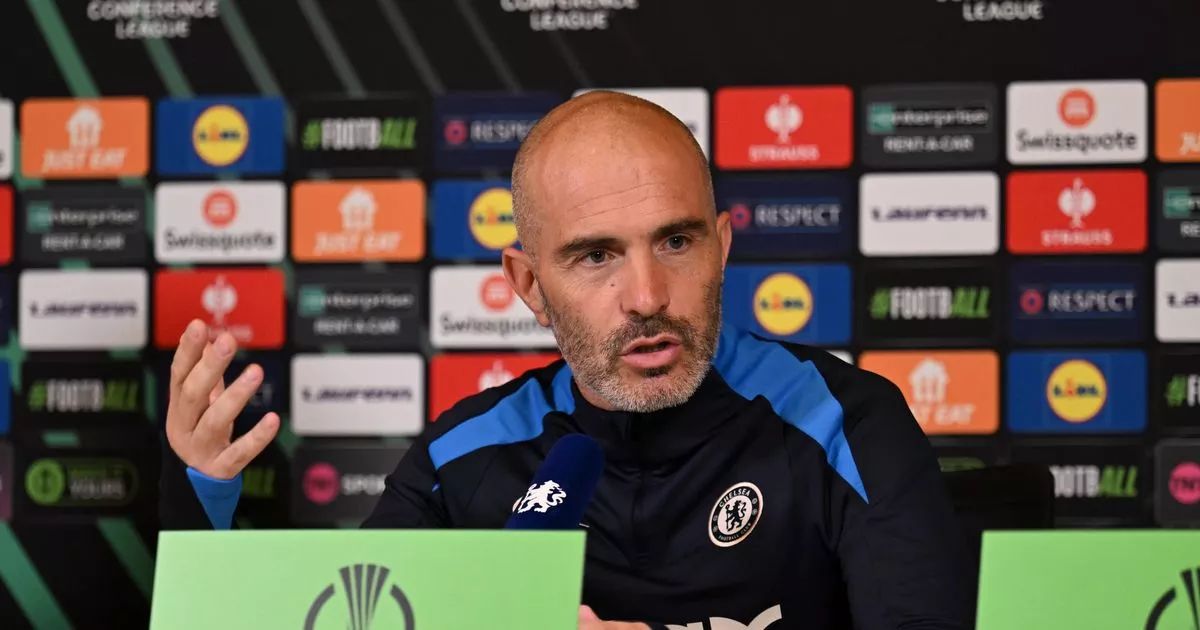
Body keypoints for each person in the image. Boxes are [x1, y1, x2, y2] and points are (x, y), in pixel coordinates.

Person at [161, 91, 970, 629]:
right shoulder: (463, 456)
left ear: (722, 247)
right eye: (595, 257)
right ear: (529, 283)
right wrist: (202, 490)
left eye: (677, 241)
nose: (647, 294)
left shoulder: (844, 421)